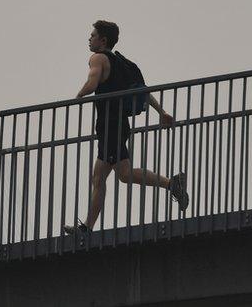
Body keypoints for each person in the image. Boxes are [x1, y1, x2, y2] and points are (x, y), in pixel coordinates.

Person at [63, 20, 189, 235]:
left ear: (103, 40)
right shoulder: (125, 64)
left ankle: (171, 184)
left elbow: (92, 83)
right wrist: (162, 112)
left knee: (112, 175)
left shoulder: (98, 58)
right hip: (120, 125)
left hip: (110, 126)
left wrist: (78, 97)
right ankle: (86, 228)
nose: (90, 38)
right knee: (109, 175)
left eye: (93, 35)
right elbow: (142, 91)